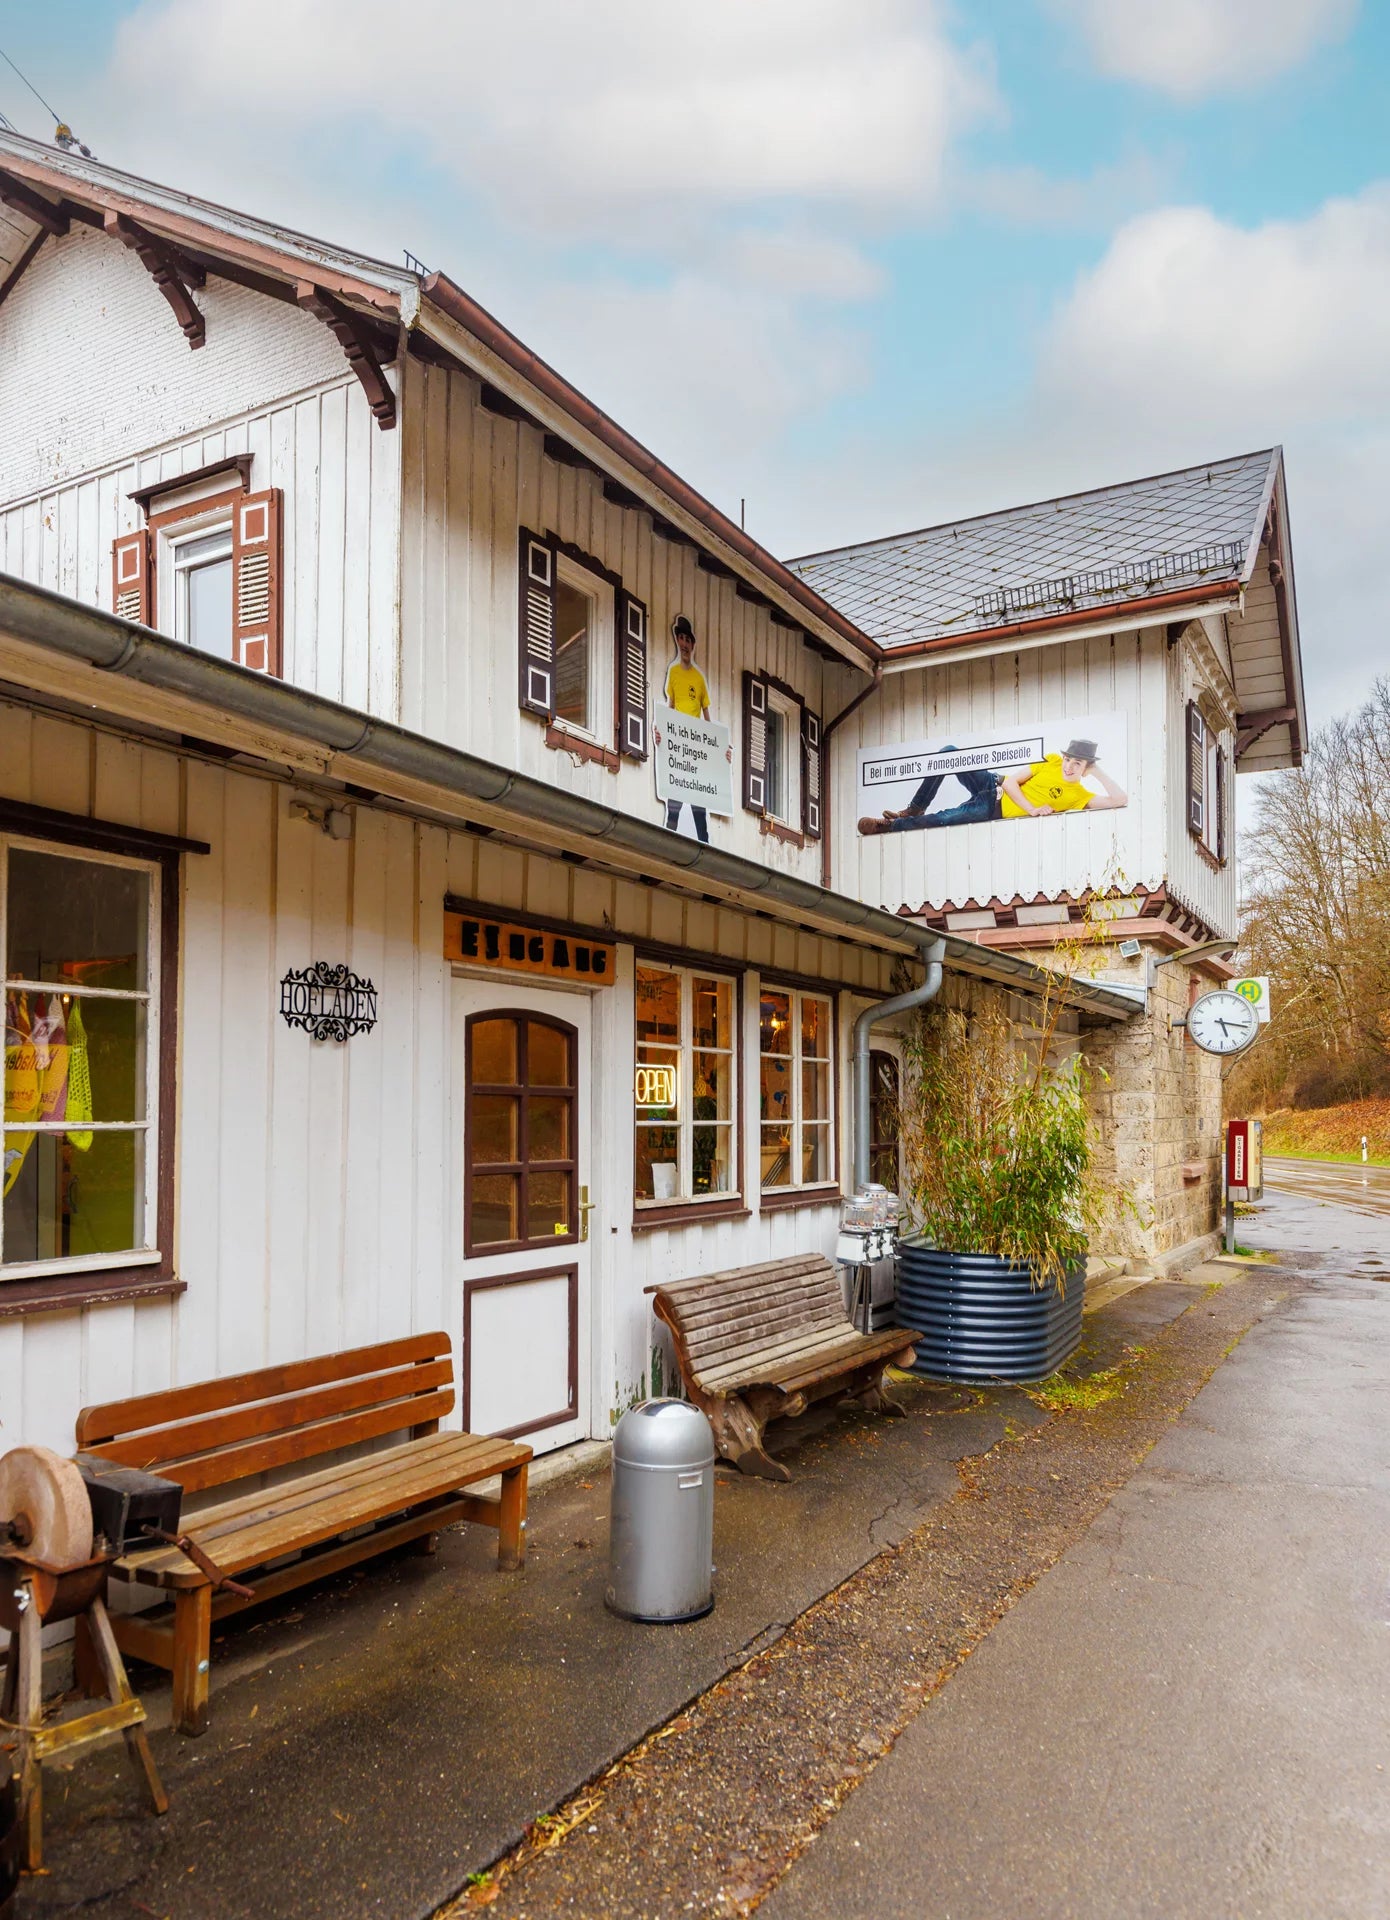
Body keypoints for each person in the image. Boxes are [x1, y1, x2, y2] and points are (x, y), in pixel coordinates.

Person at [859, 738, 1127, 833]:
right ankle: (915, 807)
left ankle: (890, 826)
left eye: (1077, 764)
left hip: (991, 809)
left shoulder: (1079, 795)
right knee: (949, 753)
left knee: (944, 819)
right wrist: (1032, 809)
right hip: (992, 782)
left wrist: (1097, 770)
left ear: (1085, 768)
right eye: (1069, 759)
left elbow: (1119, 799)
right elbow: (1011, 782)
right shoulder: (1053, 761)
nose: (1068, 766)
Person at [654, 616, 730, 844]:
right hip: (679, 752)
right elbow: (670, 707)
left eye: (688, 640)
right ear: (677, 641)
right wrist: (660, 732)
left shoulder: (699, 679)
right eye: (682, 639)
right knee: (674, 808)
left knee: (700, 811)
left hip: (695, 752)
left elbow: (707, 721)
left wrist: (720, 750)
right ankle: (668, 846)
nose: (685, 644)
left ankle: (704, 849)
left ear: (693, 644)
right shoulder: (674, 672)